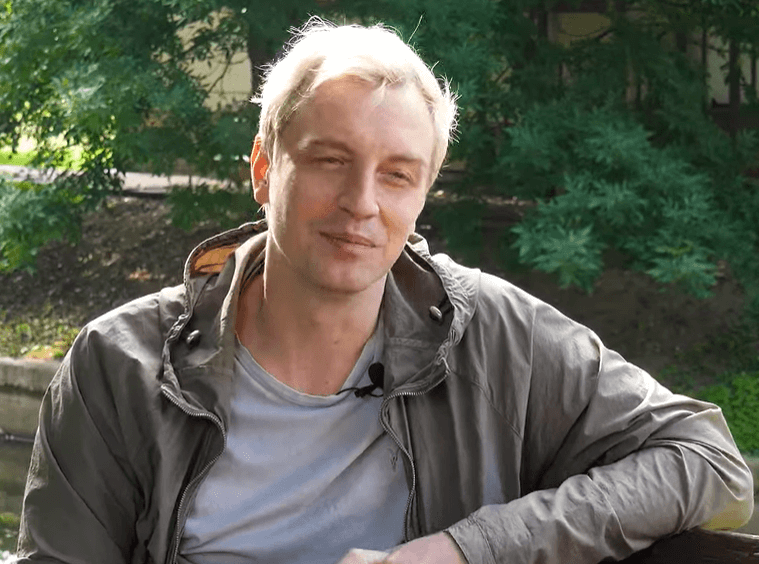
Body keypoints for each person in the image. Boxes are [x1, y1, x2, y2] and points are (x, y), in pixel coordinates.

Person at [16, 18, 754, 564]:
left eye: (397, 175)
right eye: (330, 160)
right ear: (265, 169)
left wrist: (468, 550)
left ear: (423, 193)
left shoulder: (494, 337)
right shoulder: (120, 365)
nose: (361, 203)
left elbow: (709, 462)